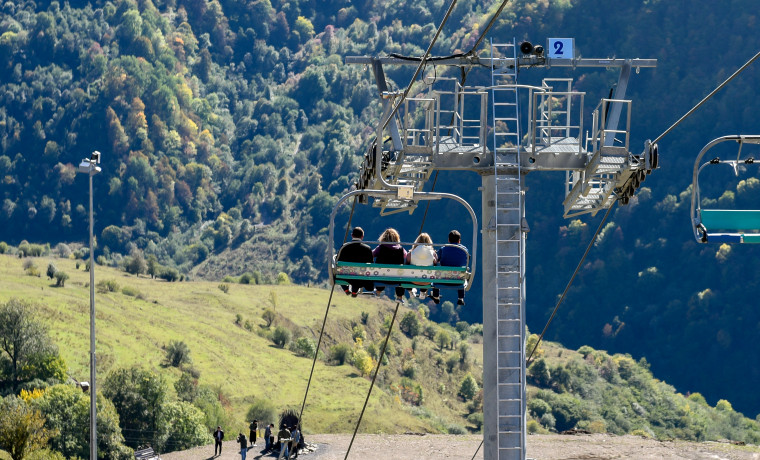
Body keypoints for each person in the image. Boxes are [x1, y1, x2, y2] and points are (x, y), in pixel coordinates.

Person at [432, 230, 469, 305]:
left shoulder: (444, 249)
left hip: (444, 279)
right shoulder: (465, 250)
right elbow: (466, 261)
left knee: (436, 272)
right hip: (458, 280)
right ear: (459, 241)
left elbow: (436, 260)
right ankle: (460, 298)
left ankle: (436, 296)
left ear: (448, 240)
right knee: (462, 271)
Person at [336, 226, 374, 296]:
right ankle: (354, 291)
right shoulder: (367, 249)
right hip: (360, 276)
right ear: (362, 236)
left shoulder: (344, 246)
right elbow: (371, 264)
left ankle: (346, 289)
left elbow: (337, 261)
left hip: (345, 275)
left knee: (338, 271)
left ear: (352, 235)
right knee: (359, 274)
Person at [372, 228, 407, 302]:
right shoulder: (400, 249)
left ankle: (378, 291)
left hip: (381, 278)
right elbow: (406, 256)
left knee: (380, 272)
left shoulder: (381, 247)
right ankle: (399, 296)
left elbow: (372, 254)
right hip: (396, 279)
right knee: (401, 275)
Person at [405, 233, 438, 298]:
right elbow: (435, 264)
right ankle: (423, 292)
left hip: (413, 280)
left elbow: (407, 264)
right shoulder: (433, 254)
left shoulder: (411, 254)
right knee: (427, 274)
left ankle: (410, 291)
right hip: (427, 282)